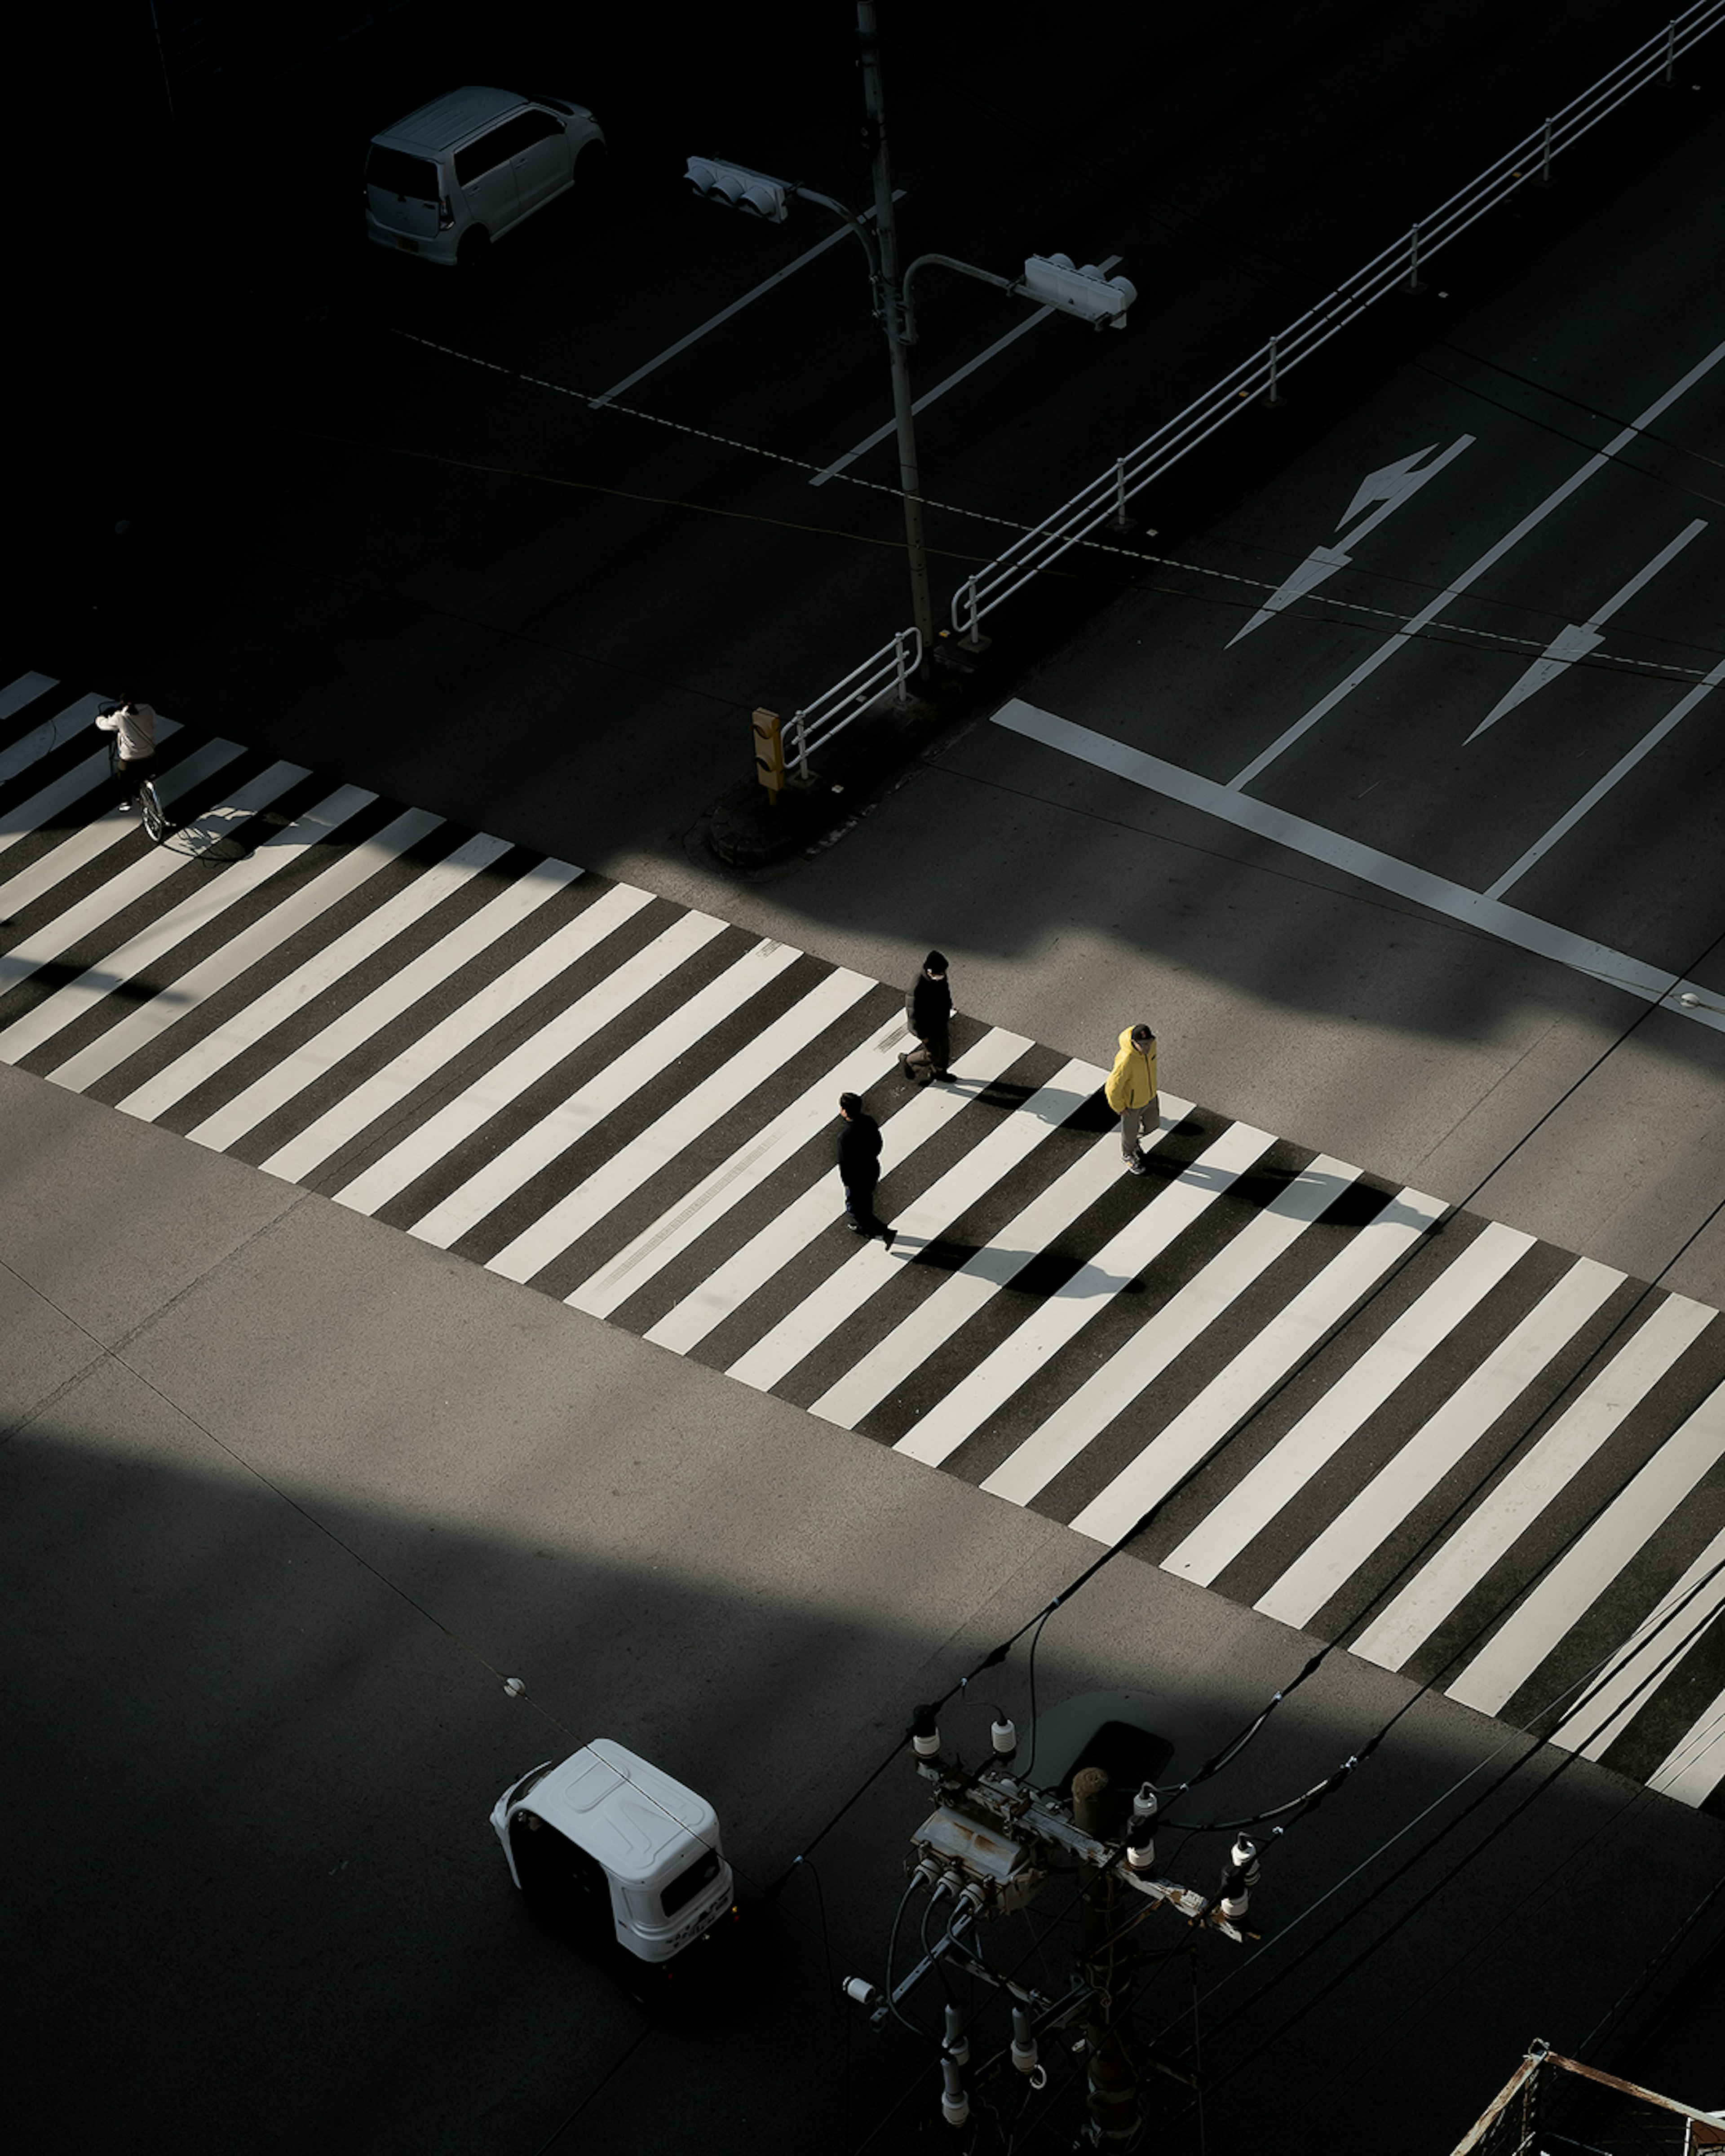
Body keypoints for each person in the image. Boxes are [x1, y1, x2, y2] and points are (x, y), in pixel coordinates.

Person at [836, 1093, 892, 1240]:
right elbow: (878, 1144)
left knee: (854, 1208)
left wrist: (847, 1183)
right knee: (866, 1200)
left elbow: (845, 1164)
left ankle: (884, 1231)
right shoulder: (869, 1121)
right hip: (872, 1169)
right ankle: (865, 1228)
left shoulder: (845, 1137)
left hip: (856, 1179)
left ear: (845, 1111)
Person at [1106, 1024, 1159, 1175]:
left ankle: (1134, 1142)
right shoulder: (1126, 1061)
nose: (1147, 1047)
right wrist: (1119, 1107)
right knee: (1129, 1132)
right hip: (1132, 1104)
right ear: (1134, 1044)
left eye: (1149, 1043)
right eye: (1143, 1045)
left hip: (1150, 1096)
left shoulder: (1152, 1048)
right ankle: (1128, 1155)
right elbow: (1112, 1087)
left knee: (1153, 1125)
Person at [899, 950, 952, 1086]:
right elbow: (914, 1014)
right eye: (940, 973)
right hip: (927, 1027)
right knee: (933, 1054)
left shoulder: (939, 977)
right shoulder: (917, 986)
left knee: (944, 1050)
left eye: (943, 973)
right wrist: (922, 1035)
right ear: (930, 972)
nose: (943, 976)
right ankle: (909, 1061)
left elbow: (945, 994)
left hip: (940, 1021)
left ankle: (939, 1073)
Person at [96, 698, 159, 807]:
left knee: (123, 776)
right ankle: (149, 778)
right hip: (150, 755)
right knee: (148, 767)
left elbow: (103, 725)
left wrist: (101, 717)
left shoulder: (120, 717)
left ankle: (126, 801)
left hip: (130, 758)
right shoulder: (148, 710)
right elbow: (153, 724)